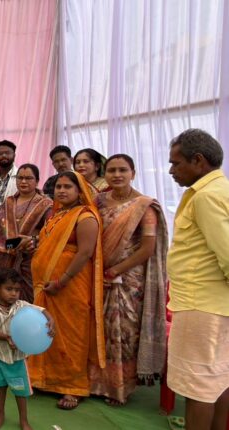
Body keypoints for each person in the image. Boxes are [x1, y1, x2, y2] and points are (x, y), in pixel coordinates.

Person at [87, 154, 168, 406]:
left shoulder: (143, 205)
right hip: (97, 273)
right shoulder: (97, 201)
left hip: (128, 279)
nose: (117, 175)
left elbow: (147, 248)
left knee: (122, 333)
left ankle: (119, 388)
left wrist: (115, 270)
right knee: (98, 329)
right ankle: (94, 382)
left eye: (123, 170)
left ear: (133, 173)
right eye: (112, 170)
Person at [166, 129, 229, 429]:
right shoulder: (220, 189)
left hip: (201, 305)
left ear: (198, 160)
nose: (171, 171)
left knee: (198, 385)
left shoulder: (206, 197)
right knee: (218, 377)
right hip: (214, 303)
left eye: (176, 163)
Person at [26, 171, 105, 410]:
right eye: (58, 186)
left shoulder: (85, 216)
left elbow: (85, 252)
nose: (61, 190)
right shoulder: (57, 215)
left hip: (70, 285)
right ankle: (43, 378)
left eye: (67, 186)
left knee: (71, 333)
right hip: (46, 285)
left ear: (80, 191)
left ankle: (72, 387)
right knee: (46, 330)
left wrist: (62, 280)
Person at [0, 268, 56, 430]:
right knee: (0, 387)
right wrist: (6, 337)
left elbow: (41, 310)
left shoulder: (22, 306)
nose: (14, 294)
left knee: (20, 391)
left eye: (17, 290)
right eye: (9, 289)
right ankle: (0, 413)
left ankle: (24, 420)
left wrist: (50, 319)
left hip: (17, 359)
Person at [0, 163, 53, 302]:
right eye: (20, 178)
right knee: (9, 298)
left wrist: (32, 240)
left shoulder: (45, 204)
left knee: (31, 299)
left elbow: (52, 232)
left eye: (28, 178)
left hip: (31, 258)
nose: (23, 181)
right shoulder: (9, 202)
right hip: (8, 256)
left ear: (37, 181)